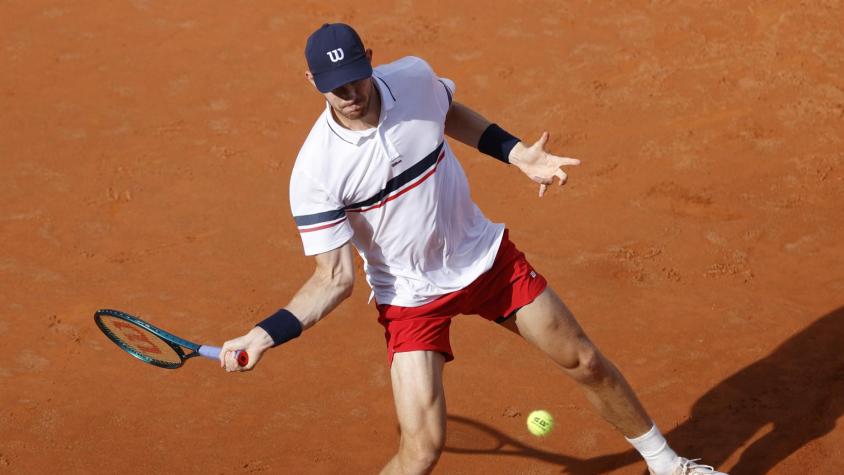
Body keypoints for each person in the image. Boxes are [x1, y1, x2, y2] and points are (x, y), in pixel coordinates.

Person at [219, 23, 727, 475]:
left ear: (370, 59)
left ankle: (668, 465)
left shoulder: (414, 78)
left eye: (355, 76)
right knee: (421, 452)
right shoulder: (316, 173)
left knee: (586, 362)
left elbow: (448, 112)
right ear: (311, 84)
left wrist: (514, 153)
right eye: (334, 87)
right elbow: (333, 279)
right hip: (410, 297)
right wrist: (264, 335)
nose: (349, 93)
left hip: (484, 259)